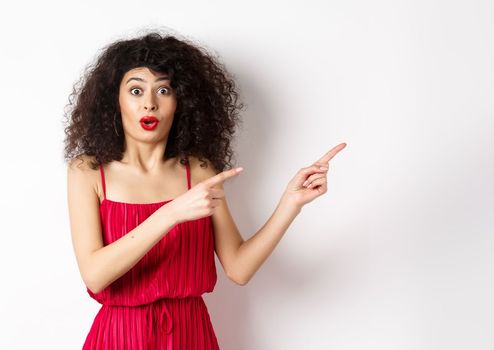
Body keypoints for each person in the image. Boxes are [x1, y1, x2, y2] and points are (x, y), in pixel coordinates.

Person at [63, 30, 346, 349]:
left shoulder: (198, 171)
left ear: (181, 101)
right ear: (114, 101)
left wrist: (290, 204)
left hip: (190, 334)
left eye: (164, 90)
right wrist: (171, 213)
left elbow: (238, 269)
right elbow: (95, 275)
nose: (150, 104)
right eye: (136, 90)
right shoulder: (88, 172)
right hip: (119, 337)